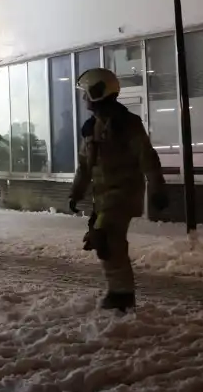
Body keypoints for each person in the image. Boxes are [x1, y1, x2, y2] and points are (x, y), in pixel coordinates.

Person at [68, 68, 169, 312]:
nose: (83, 99)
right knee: (104, 241)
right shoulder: (91, 128)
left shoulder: (126, 123)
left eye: (86, 93)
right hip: (103, 196)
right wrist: (76, 192)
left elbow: (147, 156)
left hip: (123, 193)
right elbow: (85, 165)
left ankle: (122, 294)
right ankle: (118, 292)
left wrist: (157, 187)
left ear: (98, 92)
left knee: (105, 236)